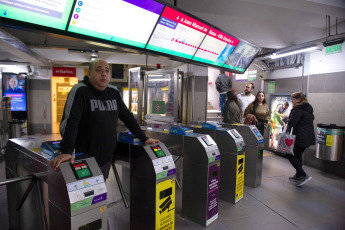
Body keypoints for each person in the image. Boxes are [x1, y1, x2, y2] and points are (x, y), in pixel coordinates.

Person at [50, 58, 160, 179]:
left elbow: (127, 117)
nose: (104, 73)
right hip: (83, 159)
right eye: (99, 70)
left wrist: (143, 137)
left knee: (100, 195)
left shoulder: (113, 92)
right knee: (85, 195)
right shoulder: (80, 91)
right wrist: (67, 151)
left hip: (106, 158)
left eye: (107, 71)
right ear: (89, 73)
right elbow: (71, 122)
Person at [286, 92, 315, 186]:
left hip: (300, 136)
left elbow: (293, 122)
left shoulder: (297, 109)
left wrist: (286, 119)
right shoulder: (308, 108)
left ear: (298, 99)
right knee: (298, 155)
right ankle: (298, 176)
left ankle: (303, 175)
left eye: (293, 99)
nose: (292, 101)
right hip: (307, 137)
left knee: (290, 154)